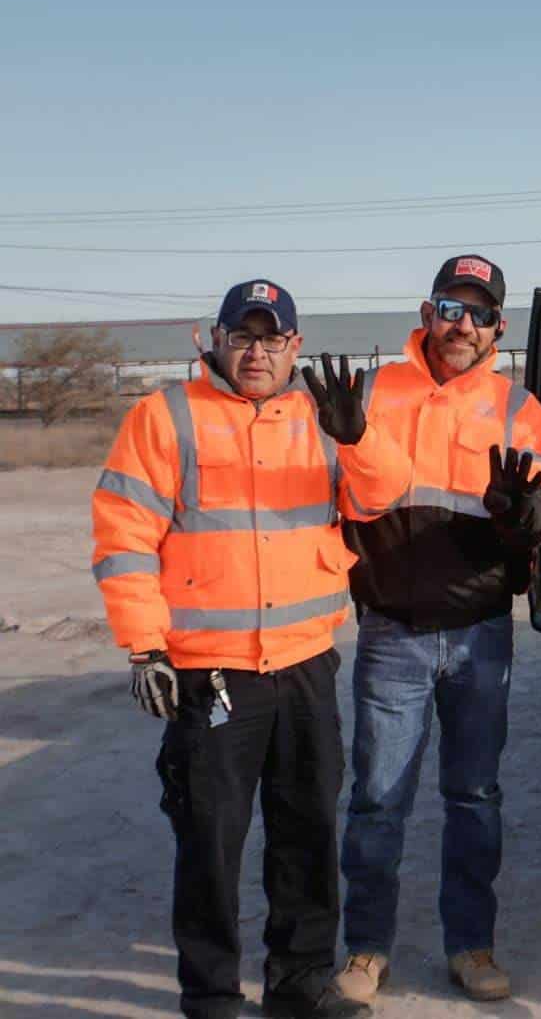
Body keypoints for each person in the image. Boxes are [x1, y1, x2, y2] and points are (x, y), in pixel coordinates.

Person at [93, 280, 410, 1019]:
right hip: (212, 675)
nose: (257, 352)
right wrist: (145, 647)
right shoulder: (164, 418)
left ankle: (300, 986)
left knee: (307, 831)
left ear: (295, 346)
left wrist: (357, 434)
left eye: (272, 339)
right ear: (216, 339)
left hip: (303, 663)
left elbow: (380, 497)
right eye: (243, 336)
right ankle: (209, 998)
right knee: (210, 843)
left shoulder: (327, 416)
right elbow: (124, 536)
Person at [328, 256, 541, 1011]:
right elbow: (334, 497)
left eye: (478, 313)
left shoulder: (519, 407)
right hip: (392, 630)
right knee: (377, 800)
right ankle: (366, 950)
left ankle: (471, 945)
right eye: (448, 308)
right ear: (425, 314)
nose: (462, 325)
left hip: (481, 633)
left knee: (474, 797)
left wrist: (526, 516)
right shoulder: (371, 393)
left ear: (499, 327)